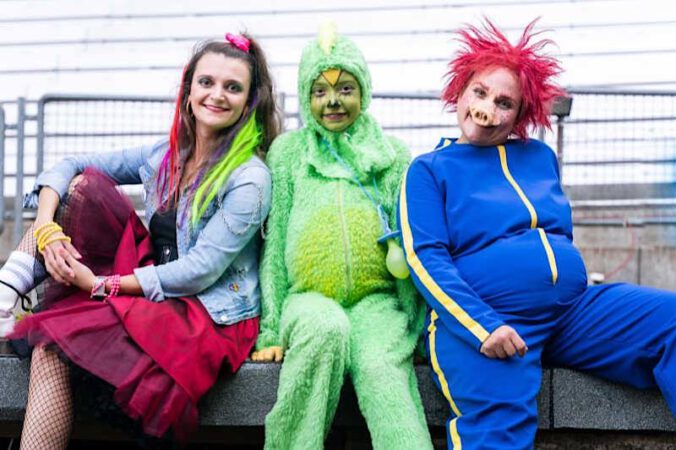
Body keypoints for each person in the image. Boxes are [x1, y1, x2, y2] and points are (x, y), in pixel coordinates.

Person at [399, 19, 676, 450]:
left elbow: (557, 237)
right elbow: (425, 259)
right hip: (489, 322)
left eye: (504, 102)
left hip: (573, 312)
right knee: (498, 432)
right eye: (480, 92)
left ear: (519, 116)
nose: (487, 107)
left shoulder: (541, 157)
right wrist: (483, 326)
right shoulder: (428, 170)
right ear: (461, 91)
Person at [0, 33, 279, 448]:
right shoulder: (166, 156)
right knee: (79, 187)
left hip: (203, 314)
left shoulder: (250, 178)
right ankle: (5, 293)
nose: (216, 95)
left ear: (248, 102)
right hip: (153, 284)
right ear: (188, 90)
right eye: (207, 82)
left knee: (52, 347)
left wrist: (99, 285)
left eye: (232, 87)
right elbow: (70, 164)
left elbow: (199, 270)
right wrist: (45, 225)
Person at [251, 25, 433, 450]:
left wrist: (418, 325)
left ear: (363, 90)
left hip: (377, 302)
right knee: (324, 330)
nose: (332, 101)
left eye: (345, 88)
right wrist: (272, 331)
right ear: (306, 96)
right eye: (319, 91)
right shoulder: (289, 154)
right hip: (308, 298)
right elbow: (275, 244)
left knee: (382, 367)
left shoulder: (392, 155)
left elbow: (405, 242)